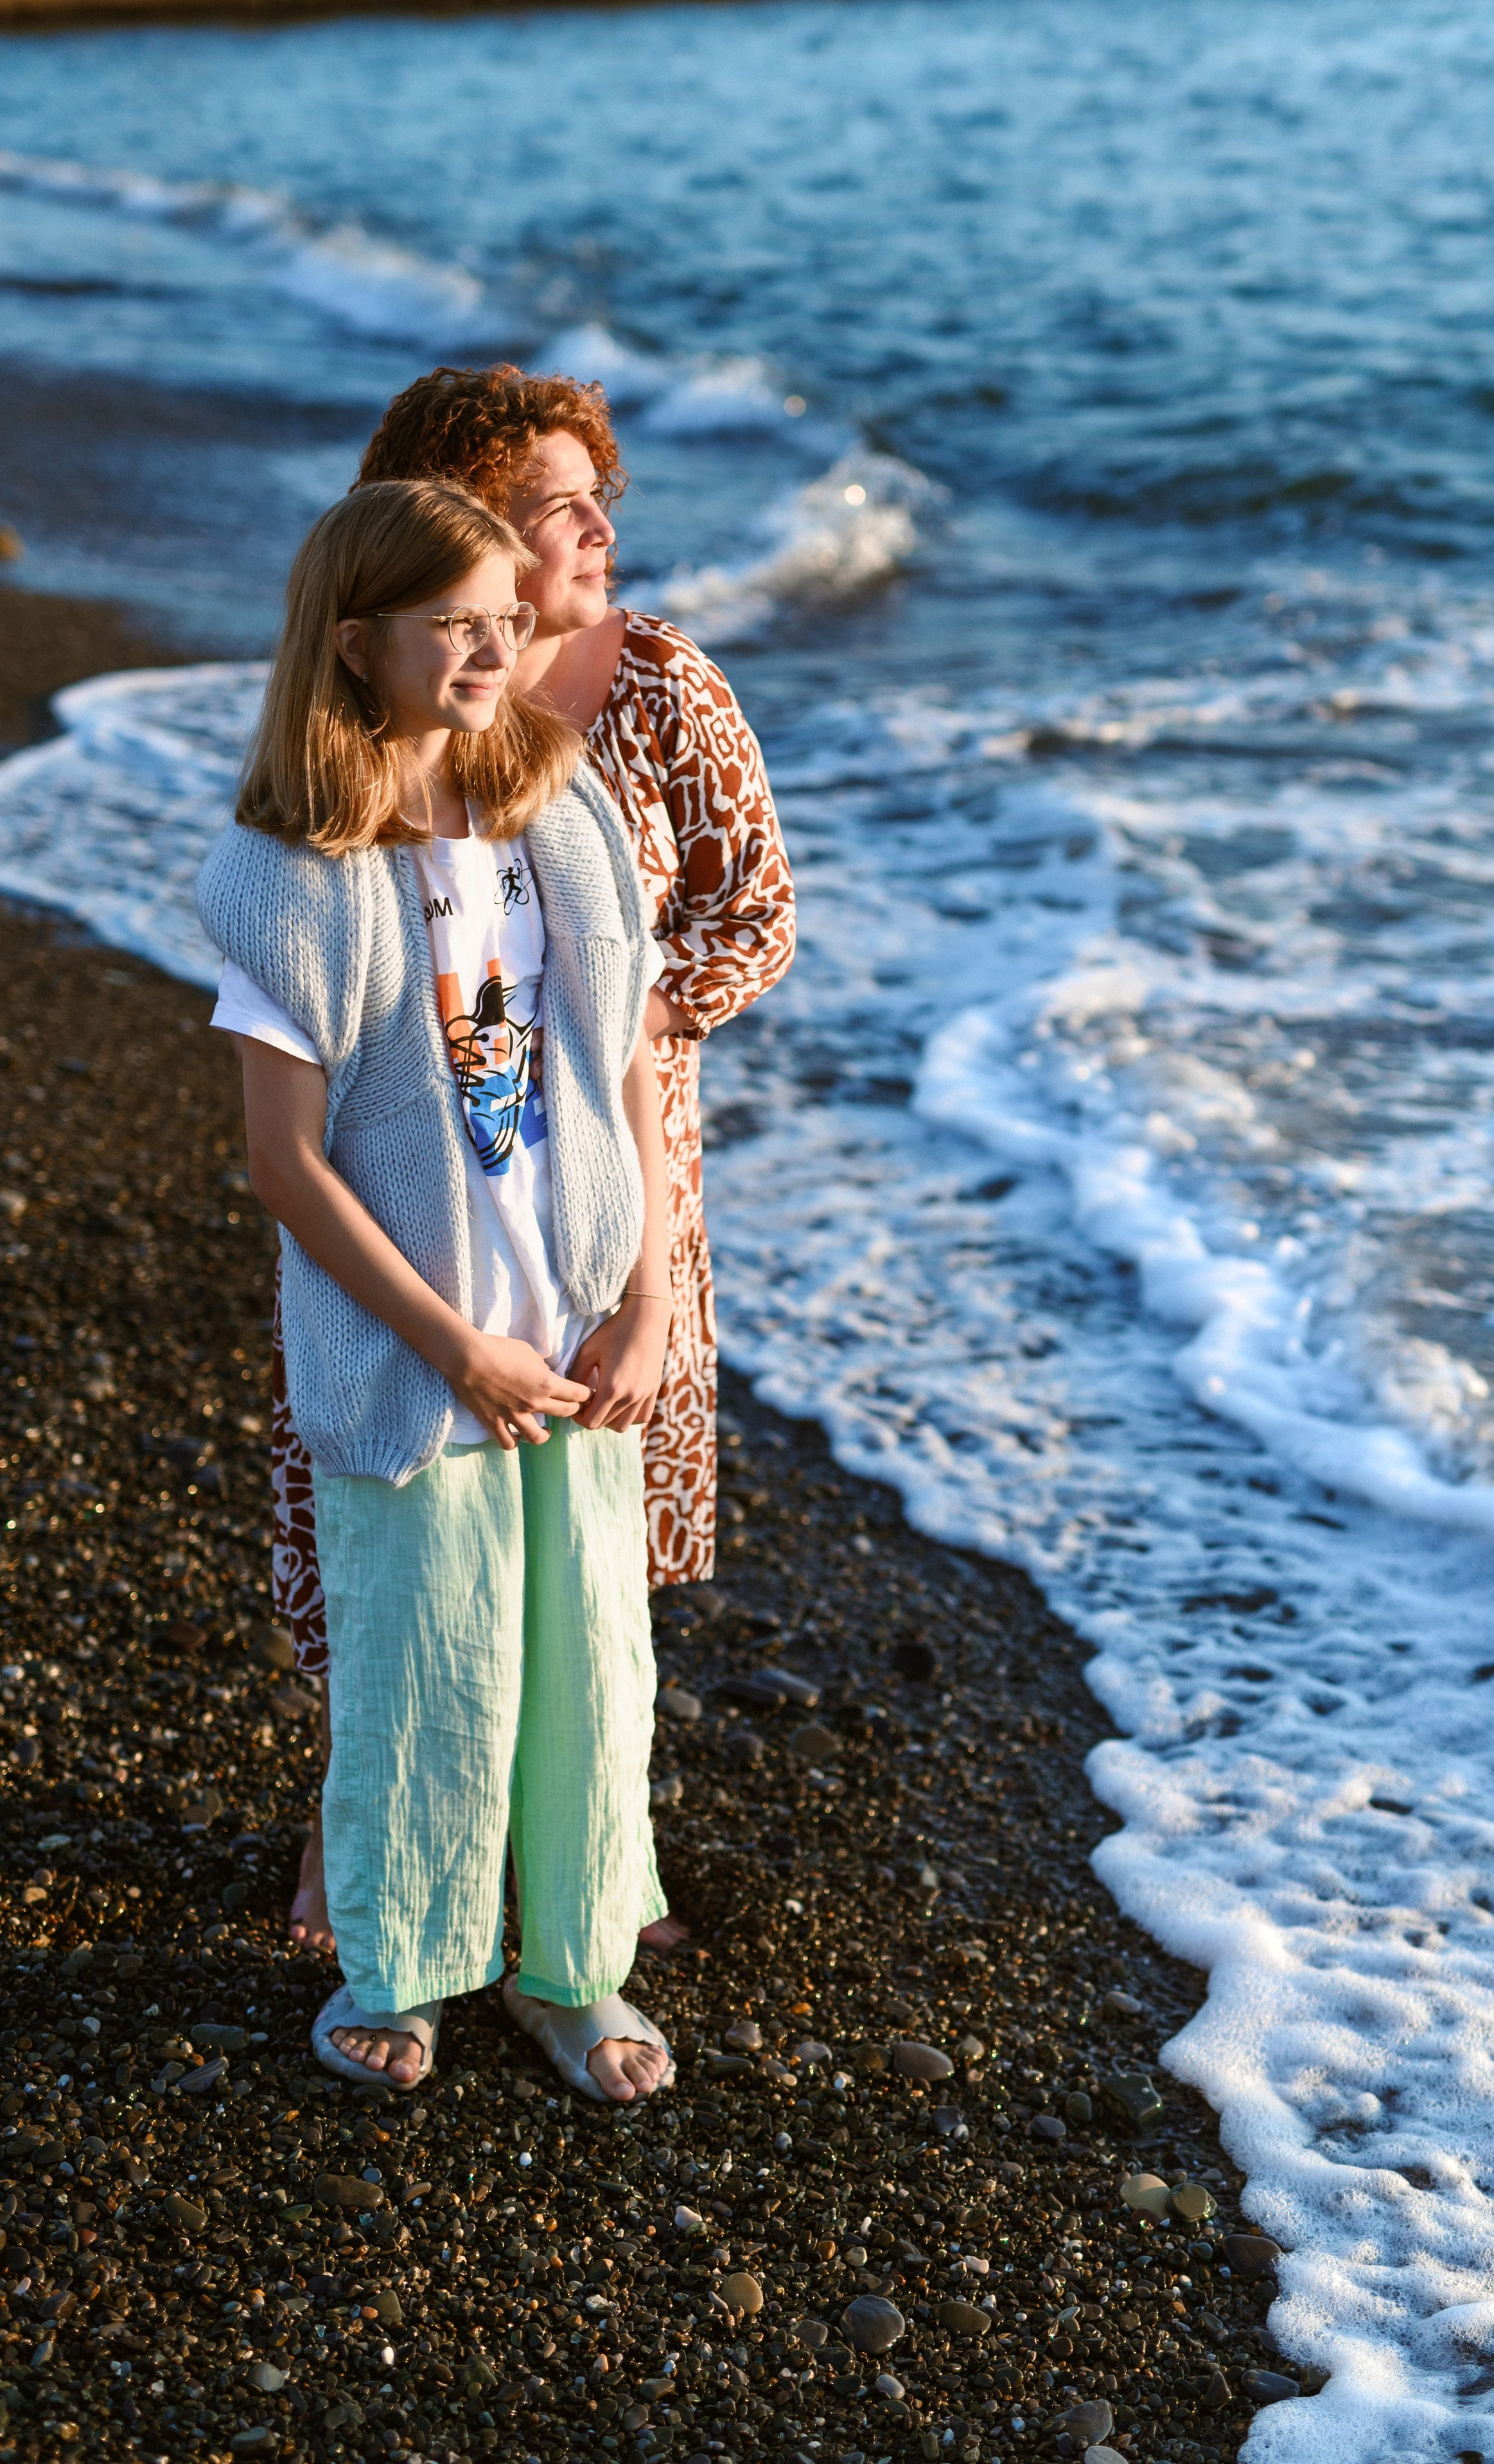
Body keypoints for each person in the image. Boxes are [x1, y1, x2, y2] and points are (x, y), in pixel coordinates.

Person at [278, 364, 796, 1957]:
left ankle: (574, 1864)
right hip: (396, 1171)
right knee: (392, 1495)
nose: (596, 529)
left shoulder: (663, 694)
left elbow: (752, 918)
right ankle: (361, 1837)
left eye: (599, 496)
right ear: (445, 532)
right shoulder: (368, 710)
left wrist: (618, 1040)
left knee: (585, 1517)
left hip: (610, 1175)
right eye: (552, 502)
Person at [201, 478, 676, 2101]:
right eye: (447, 625)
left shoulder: (568, 822)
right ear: (358, 643)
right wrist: (452, 1342)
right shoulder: (294, 869)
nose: (488, 649)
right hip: (426, 1358)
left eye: (500, 619)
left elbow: (630, 1075)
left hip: (577, 1336)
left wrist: (651, 1303)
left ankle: (575, 1972)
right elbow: (285, 1164)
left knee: (593, 1671)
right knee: (424, 1663)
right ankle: (397, 1965)